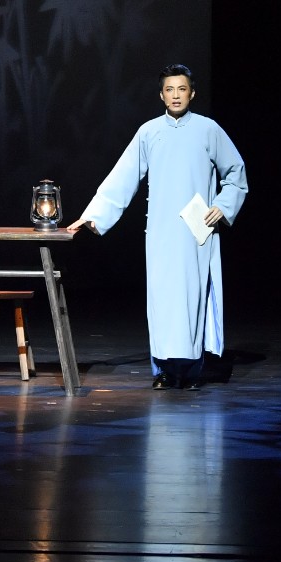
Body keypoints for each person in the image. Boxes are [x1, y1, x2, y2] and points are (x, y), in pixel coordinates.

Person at [65, 64, 248, 389]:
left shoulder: (208, 130)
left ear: (192, 93)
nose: (176, 95)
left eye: (182, 89)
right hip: (162, 231)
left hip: (195, 231)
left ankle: (190, 371)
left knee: (191, 298)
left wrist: (222, 205)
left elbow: (236, 171)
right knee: (162, 300)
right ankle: (163, 370)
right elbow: (124, 175)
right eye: (169, 89)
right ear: (161, 95)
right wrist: (94, 214)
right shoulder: (149, 132)